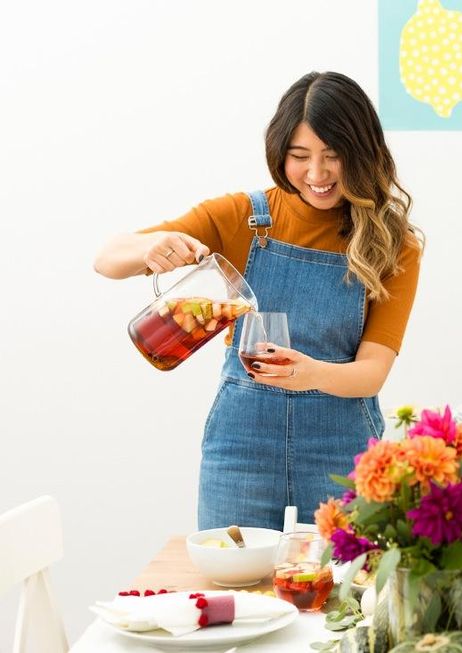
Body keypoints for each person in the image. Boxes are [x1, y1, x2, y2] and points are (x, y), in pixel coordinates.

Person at [94, 71, 422, 530]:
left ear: (362, 153)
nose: (317, 174)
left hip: (341, 450)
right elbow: (107, 258)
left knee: (347, 596)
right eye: (300, 156)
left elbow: (372, 372)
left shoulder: (393, 244)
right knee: (230, 589)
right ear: (279, 153)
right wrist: (153, 246)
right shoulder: (244, 218)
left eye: (334, 156)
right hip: (241, 449)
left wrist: (309, 374)